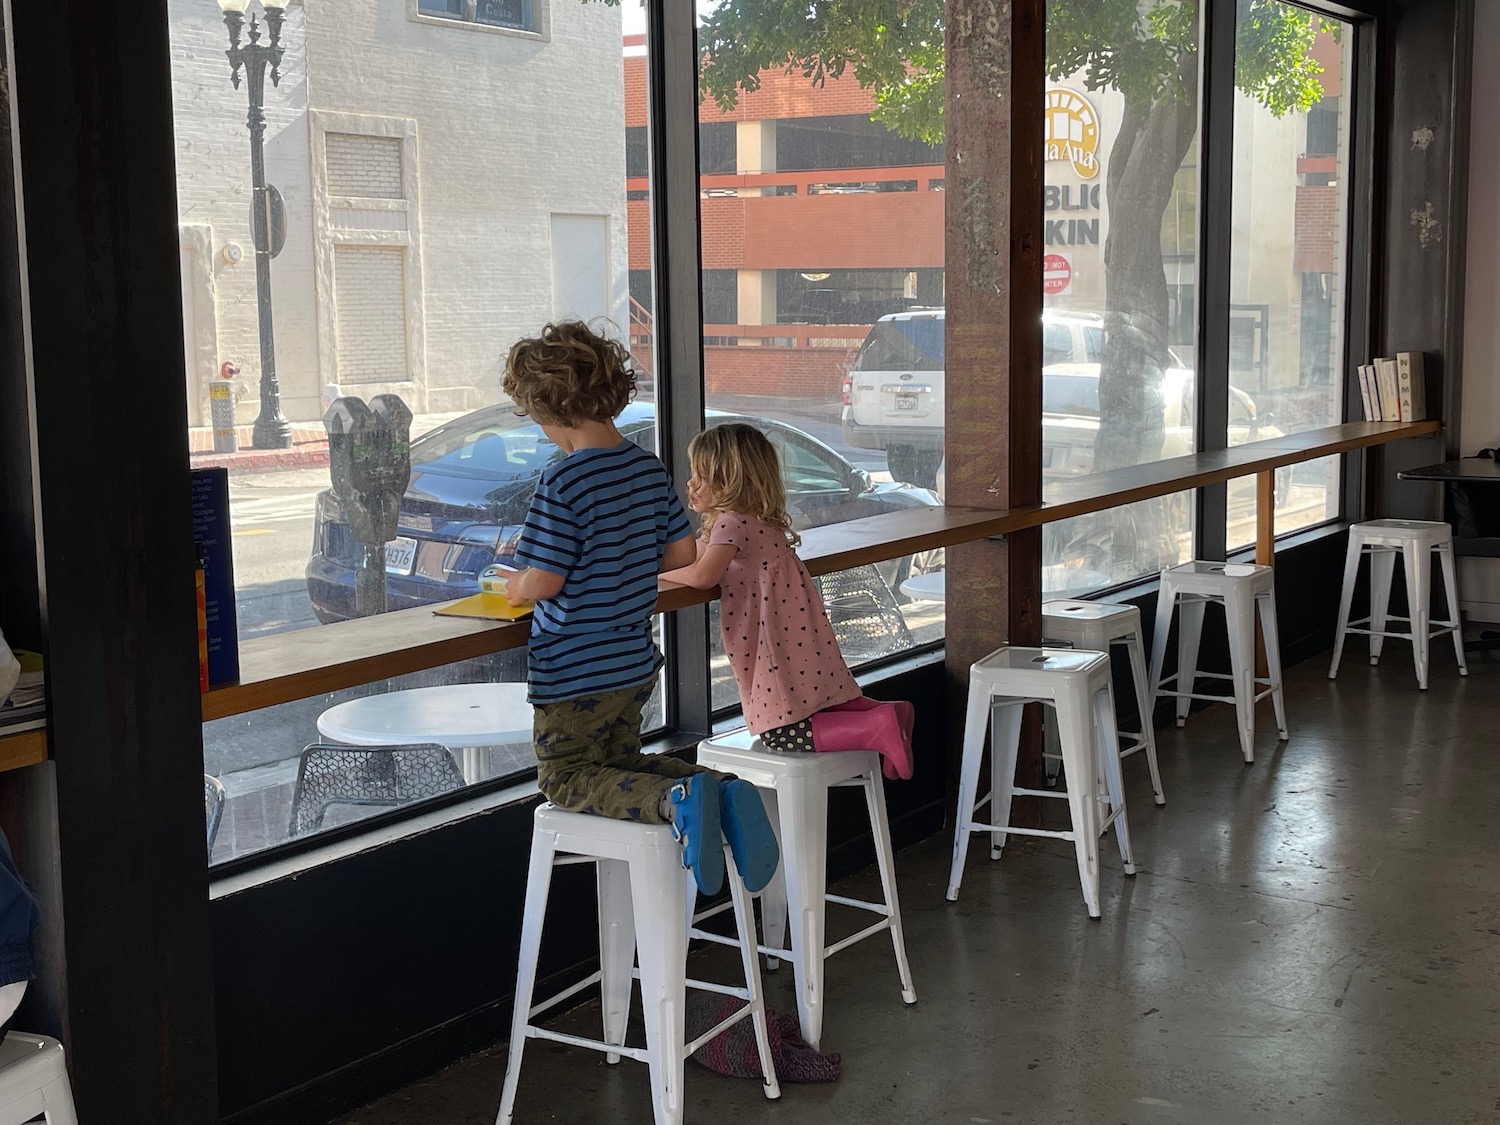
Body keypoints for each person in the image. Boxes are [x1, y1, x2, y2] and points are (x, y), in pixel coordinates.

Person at [500, 323, 778, 896]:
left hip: (573, 670)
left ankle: (673, 798)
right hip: (632, 664)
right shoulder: (646, 469)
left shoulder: (562, 480)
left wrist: (517, 585)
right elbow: (679, 554)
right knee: (618, 762)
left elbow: (547, 581)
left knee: (567, 777)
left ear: (547, 410)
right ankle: (718, 788)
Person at [662, 423, 913, 779]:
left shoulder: (730, 524)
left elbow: (703, 575)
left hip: (772, 642)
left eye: (701, 476)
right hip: (794, 631)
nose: (691, 484)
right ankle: (889, 712)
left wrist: (657, 575)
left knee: (780, 734)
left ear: (729, 480)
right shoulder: (758, 519)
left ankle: (877, 727)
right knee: (826, 699)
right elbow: (696, 556)